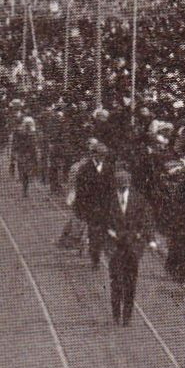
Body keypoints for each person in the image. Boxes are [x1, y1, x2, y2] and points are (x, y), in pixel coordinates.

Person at [103, 167, 154, 328]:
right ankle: (116, 314)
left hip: (132, 248)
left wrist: (146, 237)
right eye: (120, 185)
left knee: (130, 283)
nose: (123, 188)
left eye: (125, 185)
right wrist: (109, 233)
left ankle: (127, 316)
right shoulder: (108, 200)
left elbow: (147, 221)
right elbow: (102, 221)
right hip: (115, 248)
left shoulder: (138, 199)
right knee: (116, 281)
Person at [74, 139, 114, 268]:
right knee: (93, 232)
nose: (101, 157)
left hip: (104, 206)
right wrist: (81, 207)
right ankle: (95, 257)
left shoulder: (108, 168)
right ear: (93, 154)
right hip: (91, 206)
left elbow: (112, 188)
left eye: (103, 155)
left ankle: (97, 252)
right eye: (99, 155)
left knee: (102, 233)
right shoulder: (85, 169)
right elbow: (80, 190)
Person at [11, 115, 40, 197]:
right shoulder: (19, 133)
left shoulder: (32, 133)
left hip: (29, 154)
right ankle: (25, 189)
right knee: (24, 172)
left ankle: (25, 188)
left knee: (26, 172)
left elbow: (34, 145)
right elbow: (15, 144)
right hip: (23, 154)